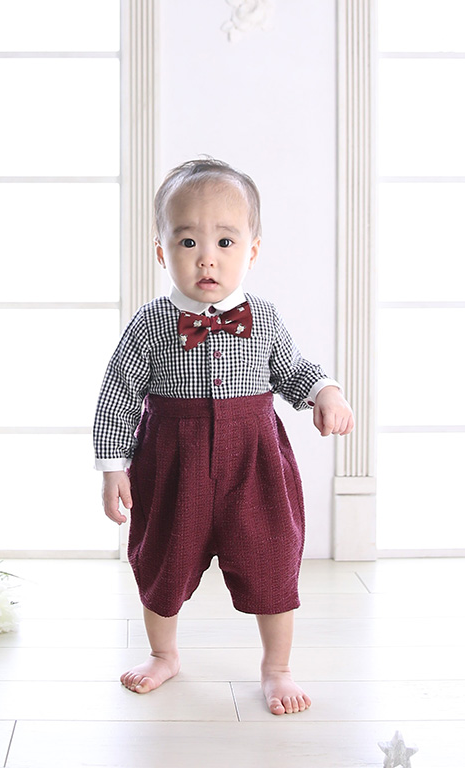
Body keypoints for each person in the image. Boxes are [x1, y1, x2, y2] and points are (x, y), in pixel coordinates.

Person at [93, 158, 354, 716]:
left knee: (272, 557)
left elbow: (292, 370)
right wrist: (113, 466)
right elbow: (118, 393)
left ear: (252, 251)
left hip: (254, 464)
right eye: (187, 241)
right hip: (171, 464)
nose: (206, 257)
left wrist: (325, 392)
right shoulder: (150, 323)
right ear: (162, 252)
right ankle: (163, 653)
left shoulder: (264, 317)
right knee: (161, 558)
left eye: (225, 242)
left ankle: (277, 667)